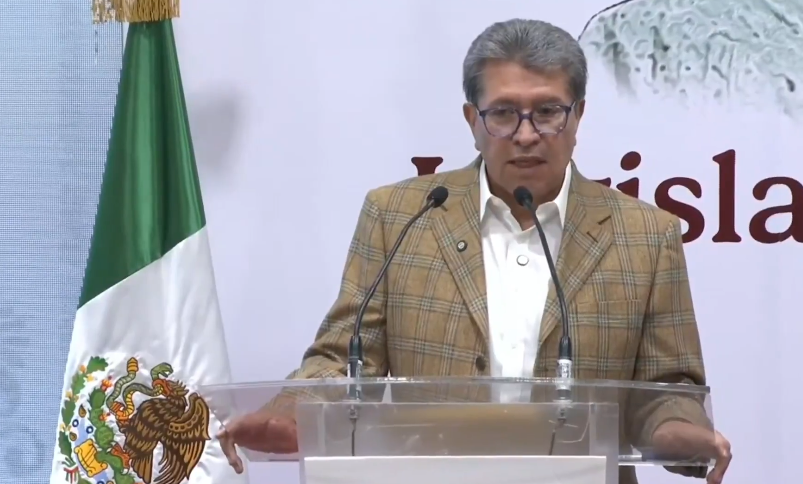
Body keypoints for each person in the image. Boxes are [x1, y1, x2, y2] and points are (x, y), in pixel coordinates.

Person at [219, 18, 732, 484]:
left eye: (547, 112)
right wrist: (292, 414)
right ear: (472, 119)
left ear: (578, 116)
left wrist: (681, 431)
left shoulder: (645, 234)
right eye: (503, 114)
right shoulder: (398, 215)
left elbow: (667, 389)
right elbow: (345, 359)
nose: (526, 135)